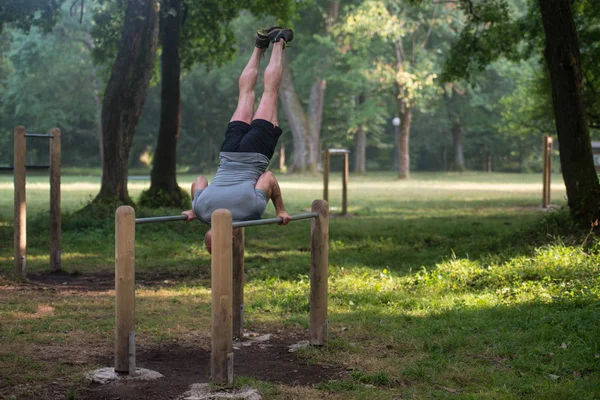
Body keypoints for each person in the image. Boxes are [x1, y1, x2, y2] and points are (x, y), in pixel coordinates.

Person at [181, 27, 294, 253]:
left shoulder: (251, 212)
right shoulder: (203, 211)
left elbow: (268, 178)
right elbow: (200, 180)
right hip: (228, 153)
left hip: (255, 153)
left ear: (233, 240)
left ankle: (278, 41)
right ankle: (259, 45)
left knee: (270, 92)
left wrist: (280, 210)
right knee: (245, 93)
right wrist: (194, 208)